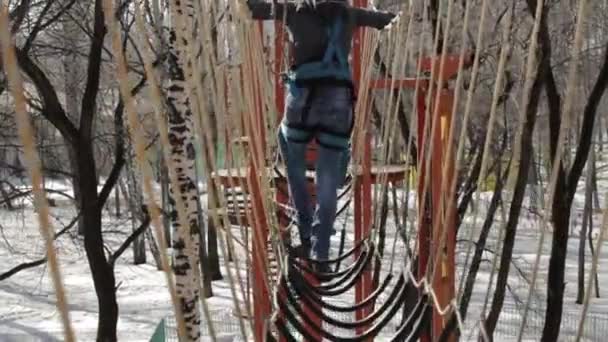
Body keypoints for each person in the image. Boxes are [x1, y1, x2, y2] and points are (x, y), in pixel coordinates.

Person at [244, 0, 398, 270]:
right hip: (338, 105)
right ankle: (321, 253)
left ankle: (305, 230)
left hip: (302, 101)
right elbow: (387, 20)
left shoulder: (293, 11)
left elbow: (252, 8)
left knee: (290, 149)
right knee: (327, 180)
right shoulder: (350, 15)